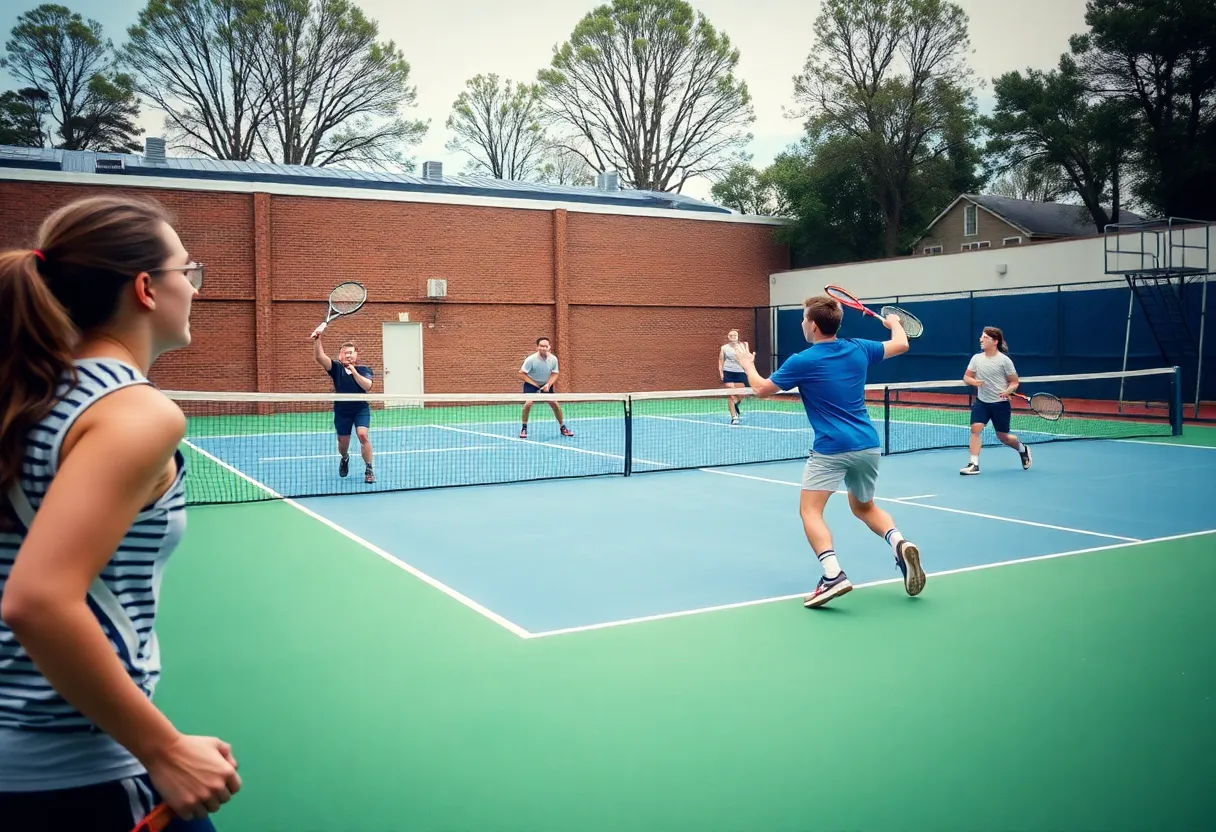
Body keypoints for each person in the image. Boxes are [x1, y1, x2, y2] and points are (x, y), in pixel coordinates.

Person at [0, 195, 239, 829]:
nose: (195, 288)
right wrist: (163, 749)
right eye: (187, 272)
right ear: (146, 288)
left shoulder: (22, 395)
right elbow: (37, 599)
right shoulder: (135, 413)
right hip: (76, 774)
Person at [730, 295, 925, 609]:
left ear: (815, 326)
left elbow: (761, 389)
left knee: (810, 511)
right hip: (868, 445)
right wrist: (895, 325)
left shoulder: (802, 360)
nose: (802, 323)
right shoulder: (859, 347)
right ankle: (899, 542)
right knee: (864, 508)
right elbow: (900, 345)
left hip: (831, 449)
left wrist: (748, 364)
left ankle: (832, 575)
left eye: (805, 318)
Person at [959, 326, 1031, 475]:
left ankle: (1022, 449)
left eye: (985, 337)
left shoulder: (1004, 361)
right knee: (975, 429)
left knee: (1003, 436)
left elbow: (1014, 382)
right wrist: (974, 382)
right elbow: (967, 377)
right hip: (982, 402)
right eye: (981, 336)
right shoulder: (976, 359)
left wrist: (1008, 391)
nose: (981, 339)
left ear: (995, 341)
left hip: (1000, 404)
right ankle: (973, 464)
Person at [311, 334, 375, 483]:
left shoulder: (364, 369)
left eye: (351, 352)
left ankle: (369, 468)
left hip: (360, 409)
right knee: (343, 441)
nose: (348, 355)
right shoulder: (336, 369)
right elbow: (320, 357)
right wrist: (317, 339)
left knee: (363, 435)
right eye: (345, 352)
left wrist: (354, 371)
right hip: (342, 411)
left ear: (356, 354)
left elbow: (367, 386)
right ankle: (345, 458)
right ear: (340, 356)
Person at [517, 337, 574, 439]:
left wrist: (548, 384)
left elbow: (555, 373)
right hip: (531, 384)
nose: (543, 348)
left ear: (549, 347)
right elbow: (522, 374)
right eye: (541, 346)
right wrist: (535, 385)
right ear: (537, 347)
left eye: (545, 346)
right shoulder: (531, 360)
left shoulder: (553, 359)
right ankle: (524, 428)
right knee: (528, 403)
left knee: (555, 404)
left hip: (546, 385)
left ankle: (562, 427)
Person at [718, 329, 752, 425]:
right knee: (731, 394)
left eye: (735, 335)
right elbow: (721, 360)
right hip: (728, 372)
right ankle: (734, 417)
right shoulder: (724, 348)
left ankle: (736, 403)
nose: (733, 336)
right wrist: (721, 372)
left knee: (740, 395)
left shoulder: (744, 345)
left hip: (740, 372)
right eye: (731, 335)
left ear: (738, 336)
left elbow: (747, 358)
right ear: (728, 337)